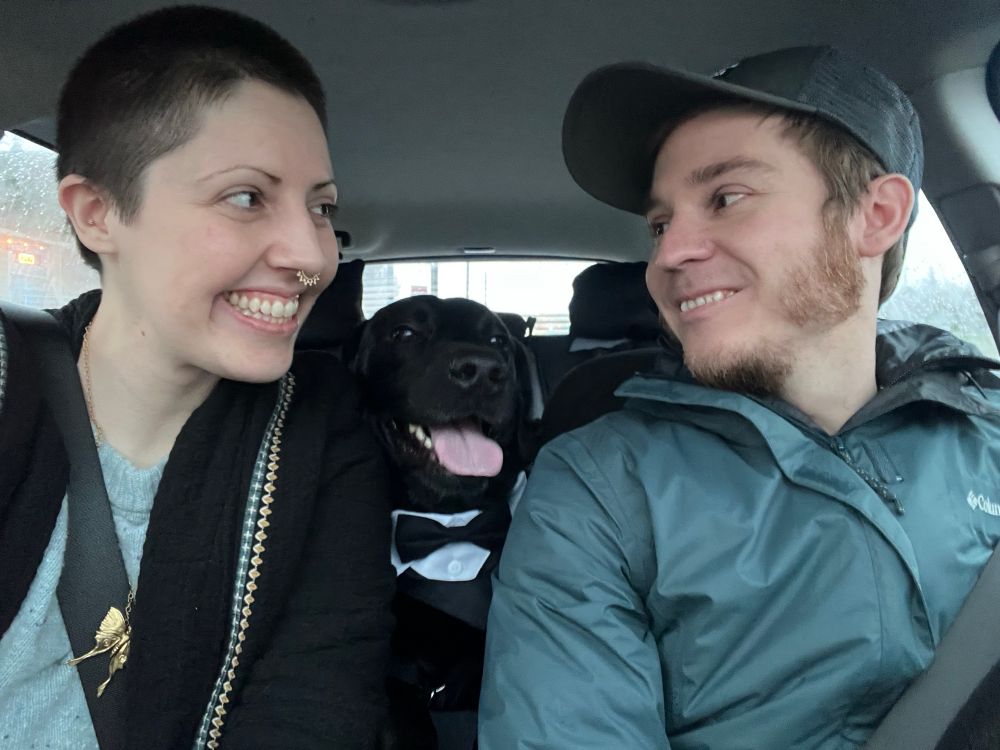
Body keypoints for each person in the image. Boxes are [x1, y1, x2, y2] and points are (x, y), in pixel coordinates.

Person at [479, 46, 1000, 749]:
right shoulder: (600, 487)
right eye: (660, 225)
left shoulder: (988, 435)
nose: (667, 255)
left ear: (875, 215)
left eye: (725, 198)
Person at [0, 7, 394, 749]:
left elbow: (315, 706)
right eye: (247, 197)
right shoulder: (7, 383)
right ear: (98, 214)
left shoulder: (318, 439)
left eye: (322, 207)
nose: (313, 254)